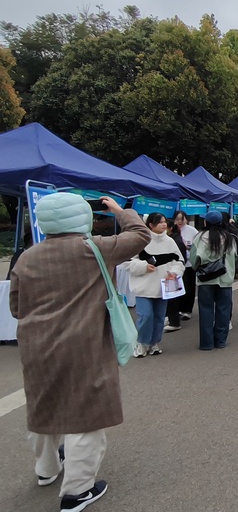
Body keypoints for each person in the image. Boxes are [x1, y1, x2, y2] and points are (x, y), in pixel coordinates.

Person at [10, 193, 150, 511]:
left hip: (36, 346)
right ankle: (77, 491)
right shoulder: (95, 249)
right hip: (84, 345)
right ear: (82, 218)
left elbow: (16, 307)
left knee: (43, 406)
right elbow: (141, 234)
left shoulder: (26, 258)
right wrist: (118, 210)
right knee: (86, 416)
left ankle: (46, 471)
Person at [124, 213, 185, 357]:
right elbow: (127, 262)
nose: (164, 225)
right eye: (160, 222)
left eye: (165, 222)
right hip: (143, 287)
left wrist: (175, 272)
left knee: (159, 317)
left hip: (164, 286)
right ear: (150, 225)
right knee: (146, 316)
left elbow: (179, 261)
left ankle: (154, 343)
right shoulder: (140, 241)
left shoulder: (170, 242)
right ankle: (141, 342)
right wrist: (144, 266)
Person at [189, 211, 237, 350]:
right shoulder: (229, 238)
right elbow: (234, 256)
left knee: (205, 311)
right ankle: (221, 341)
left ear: (206, 222)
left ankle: (206, 343)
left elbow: (193, 259)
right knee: (223, 310)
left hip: (206, 279)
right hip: (225, 278)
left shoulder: (199, 237)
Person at [171, 211, 198, 322]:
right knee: (177, 287)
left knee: (189, 287)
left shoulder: (192, 231)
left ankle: (187, 310)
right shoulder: (171, 230)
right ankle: (178, 310)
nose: (180, 221)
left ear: (186, 219)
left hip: (189, 264)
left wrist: (188, 248)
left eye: (182, 219)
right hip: (175, 264)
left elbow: (198, 246)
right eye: (177, 219)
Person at [164, 219, 188, 332]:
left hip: (172, 272)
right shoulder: (175, 238)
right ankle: (172, 319)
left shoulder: (173, 240)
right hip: (172, 271)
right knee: (171, 297)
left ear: (169, 228)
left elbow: (179, 258)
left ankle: (174, 322)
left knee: (171, 298)